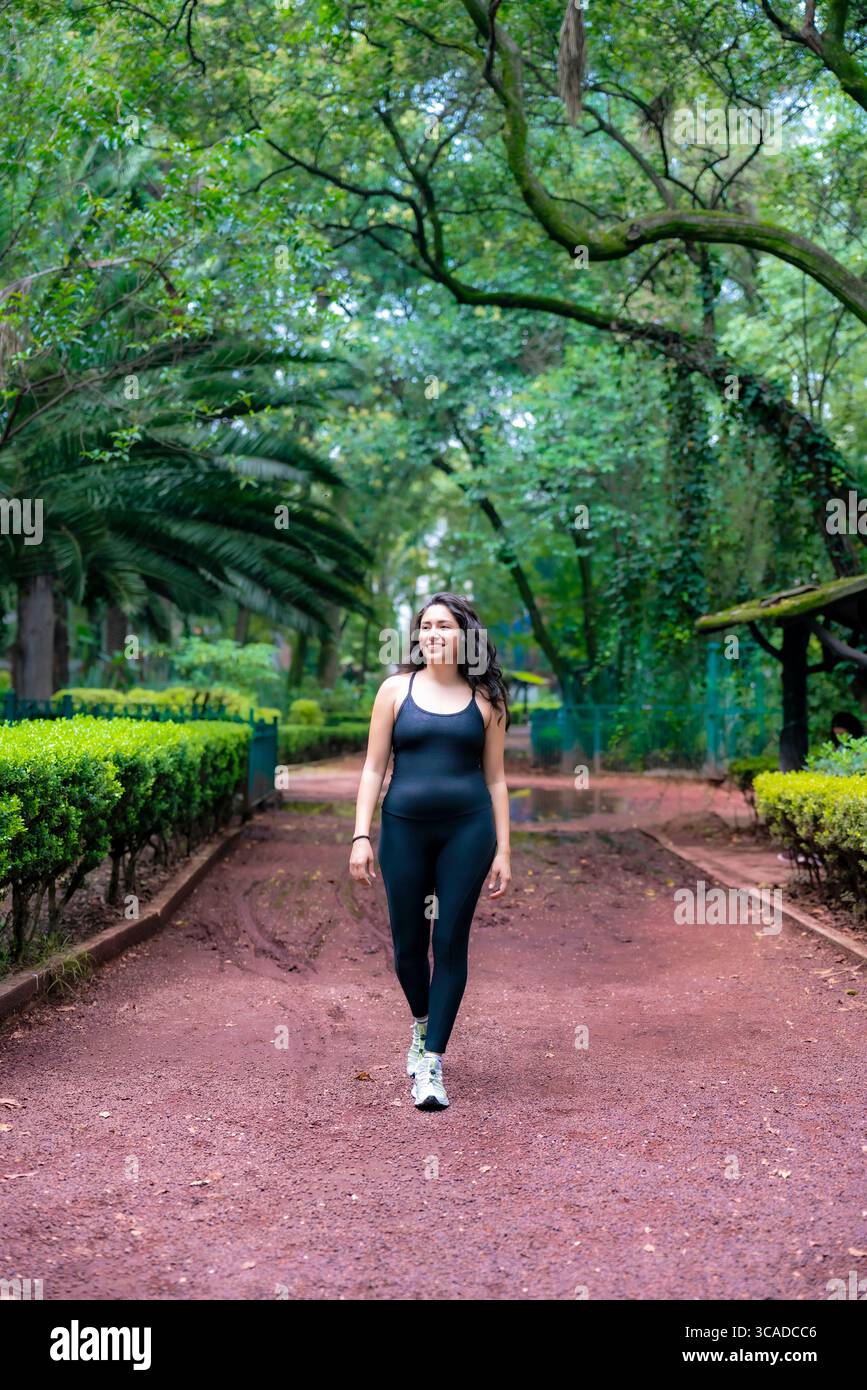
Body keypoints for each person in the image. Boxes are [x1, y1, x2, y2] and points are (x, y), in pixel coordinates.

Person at [349, 593, 512, 1110]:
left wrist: (505, 849)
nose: (434, 634)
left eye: (445, 625)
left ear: (466, 636)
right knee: (407, 947)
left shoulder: (487, 702)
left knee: (450, 940)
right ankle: (421, 1024)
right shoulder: (396, 691)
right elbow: (374, 768)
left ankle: (432, 1063)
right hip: (403, 831)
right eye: (426, 626)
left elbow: (497, 779)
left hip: (469, 832)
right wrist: (360, 835)